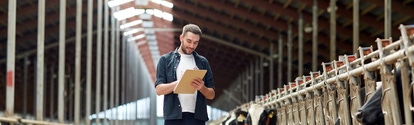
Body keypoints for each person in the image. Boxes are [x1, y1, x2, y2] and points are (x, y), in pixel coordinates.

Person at [155, 24, 215, 125]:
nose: (192, 46)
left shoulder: (203, 62)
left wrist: (201, 87)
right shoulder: (165, 60)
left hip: (197, 118)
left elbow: (211, 94)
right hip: (173, 118)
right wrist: (180, 82)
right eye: (189, 41)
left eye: (196, 43)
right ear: (181, 38)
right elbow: (159, 90)